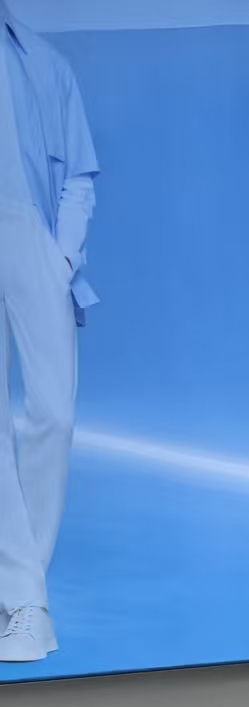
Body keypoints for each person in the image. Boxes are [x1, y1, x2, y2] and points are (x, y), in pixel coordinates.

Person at [0, 1, 98, 662]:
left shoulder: (44, 62)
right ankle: (25, 602)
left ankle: (21, 591)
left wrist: (62, 255)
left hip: (28, 229)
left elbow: (80, 175)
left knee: (53, 412)